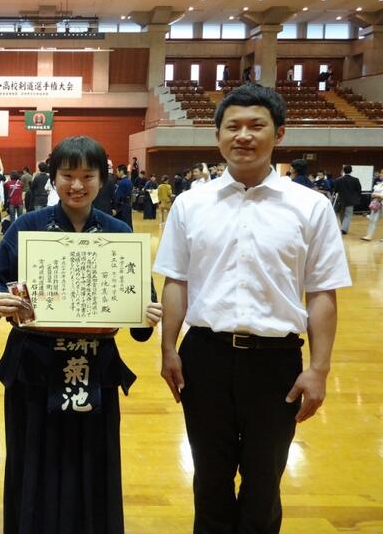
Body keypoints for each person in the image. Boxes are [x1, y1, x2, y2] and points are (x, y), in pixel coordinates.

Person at [154, 84, 351, 534]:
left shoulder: (310, 207)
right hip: (205, 357)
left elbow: (322, 292)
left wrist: (319, 369)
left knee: (264, 484)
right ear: (218, 136)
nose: (243, 135)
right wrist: (169, 349)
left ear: (278, 133)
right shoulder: (190, 204)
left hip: (275, 363)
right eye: (233, 126)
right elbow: (176, 281)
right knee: (210, 480)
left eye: (256, 126)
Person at [0, 136, 163, 534]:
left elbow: (139, 309)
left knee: (93, 463)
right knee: (33, 460)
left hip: (95, 365)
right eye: (67, 175)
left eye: (87, 176)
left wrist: (147, 314)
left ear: (102, 180)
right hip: (34, 367)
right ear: (53, 178)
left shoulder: (118, 232)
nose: (77, 185)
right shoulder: (26, 227)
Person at [333, 164, 362, 235]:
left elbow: (335, 190)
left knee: (342, 215)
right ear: (351, 171)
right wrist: (356, 197)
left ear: (343, 171)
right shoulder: (355, 180)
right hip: (351, 201)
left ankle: (344, 228)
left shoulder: (338, 180)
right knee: (348, 215)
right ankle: (344, 229)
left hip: (341, 200)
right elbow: (359, 190)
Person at [113, 164, 133, 229]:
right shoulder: (129, 181)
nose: (116, 173)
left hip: (122, 207)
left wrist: (114, 207)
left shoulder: (121, 183)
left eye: (117, 171)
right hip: (128, 205)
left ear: (121, 171)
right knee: (128, 223)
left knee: (122, 225)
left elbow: (117, 196)